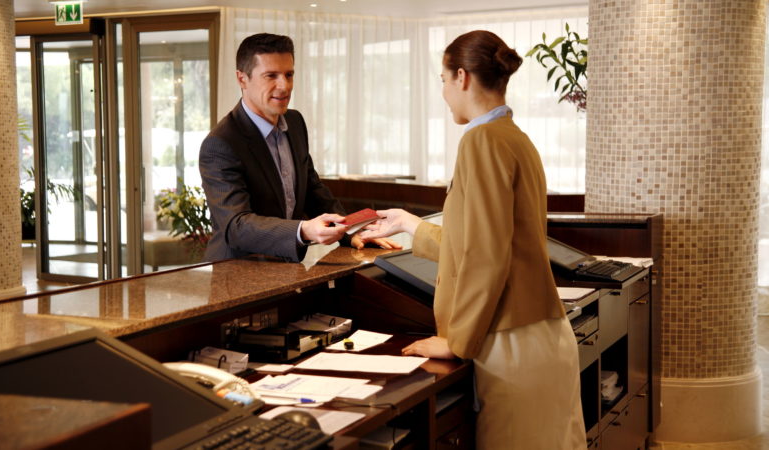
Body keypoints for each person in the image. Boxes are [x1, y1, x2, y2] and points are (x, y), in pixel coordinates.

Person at [360, 30, 586, 449]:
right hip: (539, 336)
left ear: (461, 77)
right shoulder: (514, 137)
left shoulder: (481, 141)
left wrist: (457, 342)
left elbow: (485, 256)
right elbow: (484, 241)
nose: (444, 93)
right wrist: (410, 225)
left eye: (443, 80)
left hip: (511, 343)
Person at [199, 33, 398, 262]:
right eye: (271, 76)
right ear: (242, 79)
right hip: (237, 270)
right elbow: (236, 226)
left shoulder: (295, 122)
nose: (284, 86)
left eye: (289, 74)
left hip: (289, 267)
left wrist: (352, 231)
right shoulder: (220, 143)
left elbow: (313, 191)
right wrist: (302, 230)